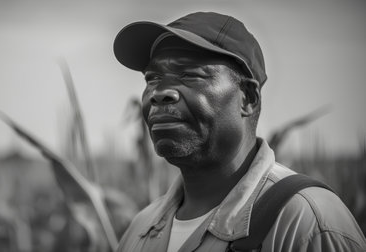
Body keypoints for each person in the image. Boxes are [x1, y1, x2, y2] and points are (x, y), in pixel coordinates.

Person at [112, 11, 366, 252]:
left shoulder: (306, 221)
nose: (158, 92)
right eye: (152, 78)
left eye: (190, 75)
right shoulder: (141, 228)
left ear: (248, 98)